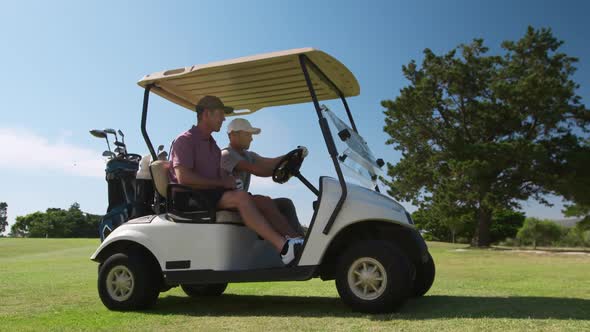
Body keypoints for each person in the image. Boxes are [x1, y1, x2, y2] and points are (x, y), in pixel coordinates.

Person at [168, 95, 302, 265]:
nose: (223, 119)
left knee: (264, 201)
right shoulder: (185, 140)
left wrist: (227, 179)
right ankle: (283, 247)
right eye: (220, 114)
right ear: (207, 114)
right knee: (242, 198)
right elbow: (184, 178)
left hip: (207, 194)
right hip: (188, 197)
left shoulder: (213, 146)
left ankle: (297, 242)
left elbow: (218, 175)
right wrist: (223, 183)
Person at [221, 118, 307, 240]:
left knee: (285, 203)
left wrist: (293, 155)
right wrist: (287, 165)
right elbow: (259, 170)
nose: (251, 138)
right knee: (265, 202)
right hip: (229, 201)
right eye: (247, 134)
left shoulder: (249, 155)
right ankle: (294, 240)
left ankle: (301, 240)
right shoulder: (227, 154)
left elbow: (270, 162)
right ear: (233, 134)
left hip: (242, 200)